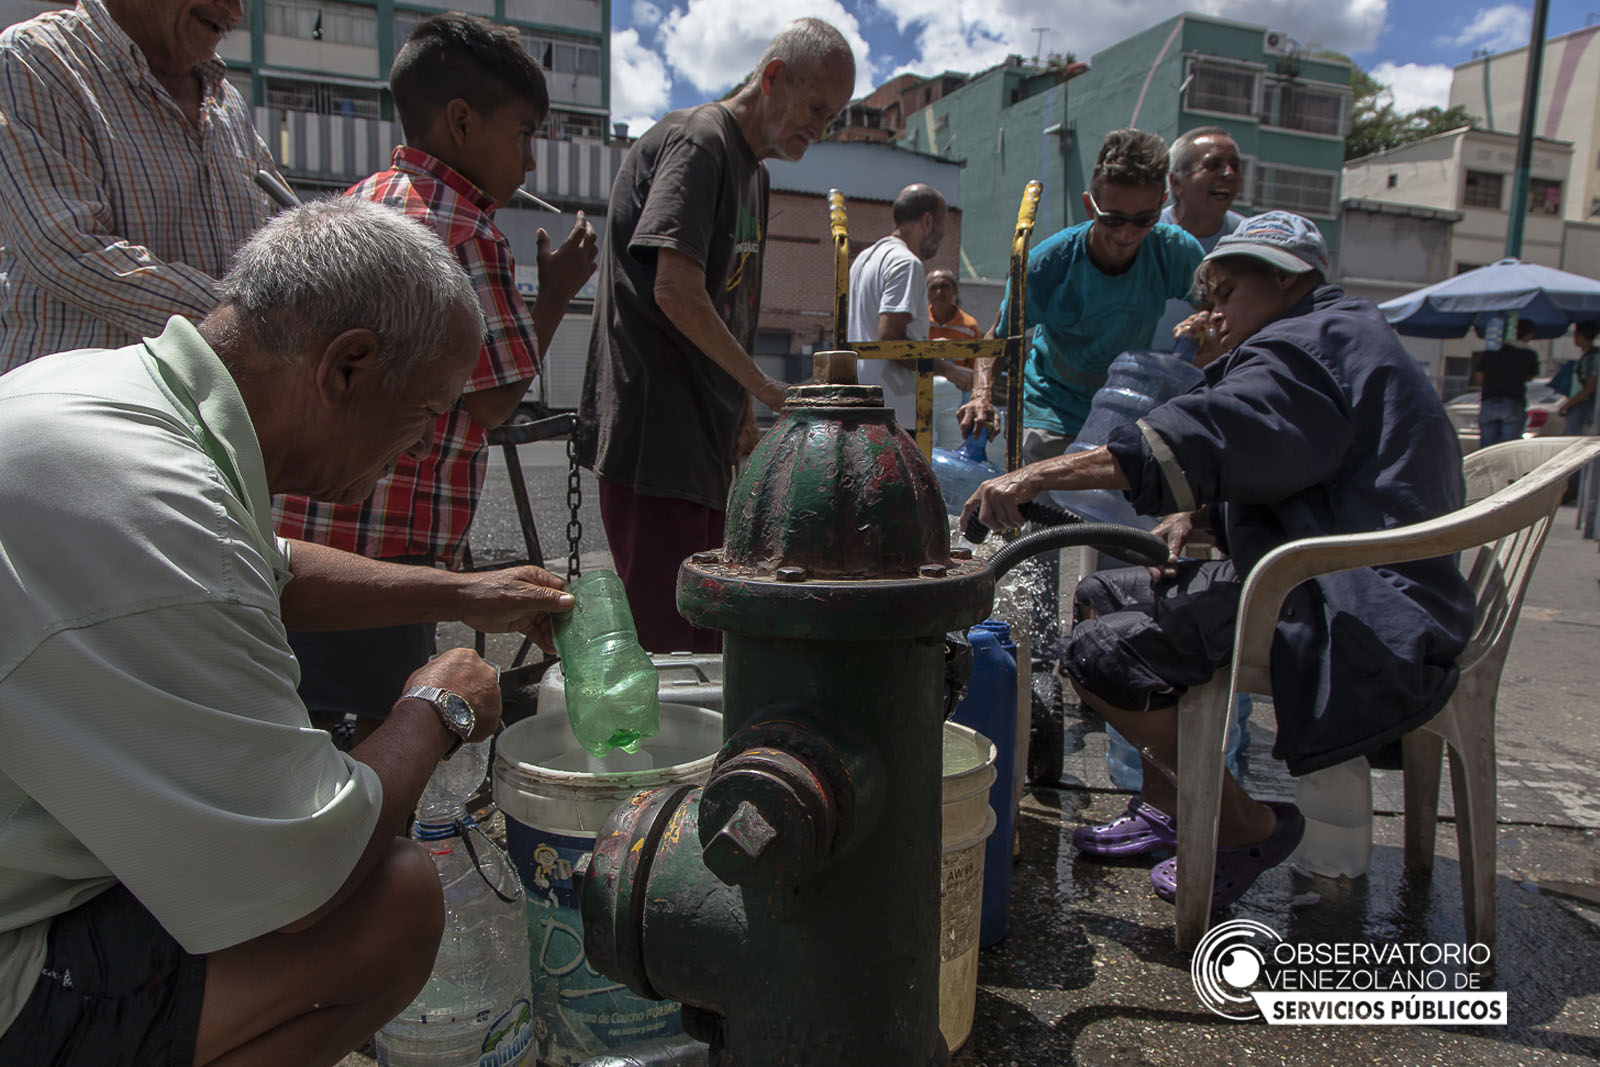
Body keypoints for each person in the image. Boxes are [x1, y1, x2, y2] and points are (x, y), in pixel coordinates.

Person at [0, 198, 574, 1066]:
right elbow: (308, 870)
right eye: (426, 412)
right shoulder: (161, 514)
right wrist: (433, 710)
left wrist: (472, 590)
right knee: (391, 901)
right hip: (16, 955)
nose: (422, 451)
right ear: (348, 366)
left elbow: (268, 565)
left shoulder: (111, 404)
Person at [961, 212, 1475, 910]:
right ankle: (1172, 806)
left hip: (1348, 600)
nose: (1214, 313)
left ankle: (1244, 826)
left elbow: (1211, 432)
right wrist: (1199, 515)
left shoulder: (1305, 348)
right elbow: (1310, 467)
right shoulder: (1339, 336)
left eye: (1229, 292)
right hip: (1352, 578)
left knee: (1097, 652)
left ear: (1288, 281)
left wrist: (1038, 476)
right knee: (1100, 596)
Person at [273, 13, 597, 744]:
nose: (531, 164)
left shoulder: (353, 204)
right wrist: (553, 294)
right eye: (523, 135)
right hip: (394, 554)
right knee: (381, 744)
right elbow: (493, 399)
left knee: (309, 736)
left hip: (306, 542)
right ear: (460, 122)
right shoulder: (466, 230)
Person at [575, 17, 854, 653]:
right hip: (656, 437)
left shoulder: (754, 171)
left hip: (701, 439)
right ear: (774, 77)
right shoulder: (701, 142)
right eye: (816, 107)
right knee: (669, 645)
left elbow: (726, 305)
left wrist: (738, 413)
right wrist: (763, 387)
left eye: (833, 117)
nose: (821, 128)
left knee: (708, 640)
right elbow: (674, 290)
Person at [0, 0, 278, 369]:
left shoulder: (228, 101)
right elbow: (67, 250)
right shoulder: (35, 58)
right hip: (85, 403)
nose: (235, 11)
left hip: (201, 408)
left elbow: (273, 230)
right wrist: (254, 321)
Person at [957, 128, 1203, 461]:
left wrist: (1204, 327)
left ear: (1161, 204)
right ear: (1090, 206)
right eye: (1113, 220)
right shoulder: (1050, 263)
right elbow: (997, 341)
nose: (1126, 233)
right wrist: (981, 396)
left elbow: (1225, 313)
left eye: (1142, 220)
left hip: (1123, 409)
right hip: (1052, 409)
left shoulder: (1174, 252)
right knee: (1046, 501)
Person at [847, 184, 971, 431]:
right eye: (943, 224)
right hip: (893, 414)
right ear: (927, 221)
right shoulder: (906, 263)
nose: (943, 235)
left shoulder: (864, 259)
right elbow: (889, 341)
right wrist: (948, 370)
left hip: (864, 406)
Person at [1150, 126, 1246, 353]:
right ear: (1176, 182)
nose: (1228, 174)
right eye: (1213, 165)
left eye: (1235, 166)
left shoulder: (1248, 240)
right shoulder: (1143, 235)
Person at [1475, 317, 1540, 449]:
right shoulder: (1528, 354)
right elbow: (1530, 376)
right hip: (1513, 401)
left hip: (1489, 400)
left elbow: (1479, 374)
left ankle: (1487, 469)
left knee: (1487, 447)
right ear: (1528, 334)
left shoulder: (1492, 351)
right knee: (1508, 448)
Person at [1559, 319, 1599, 434]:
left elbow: (1590, 386)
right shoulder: (1589, 355)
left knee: (1573, 440)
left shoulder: (1591, 357)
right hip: (1584, 404)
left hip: (1584, 404)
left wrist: (1568, 404)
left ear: (1581, 335)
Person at [927, 269, 982, 344]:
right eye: (933, 287)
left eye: (944, 286)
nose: (939, 292)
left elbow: (976, 355)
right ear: (926, 293)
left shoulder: (969, 327)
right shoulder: (918, 321)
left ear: (955, 290)